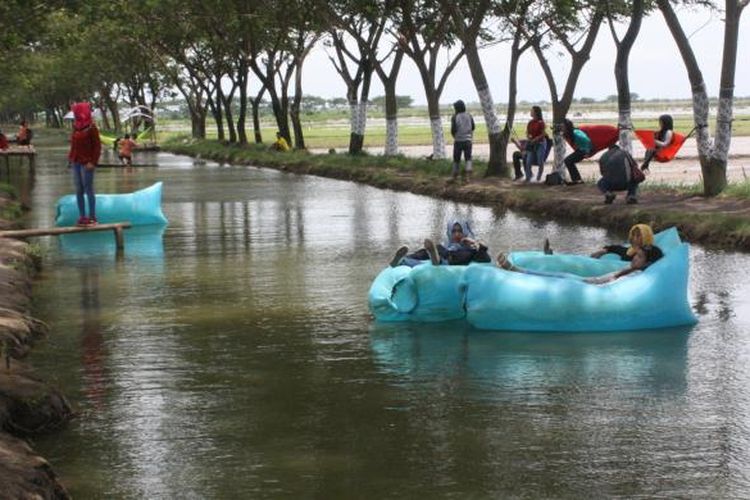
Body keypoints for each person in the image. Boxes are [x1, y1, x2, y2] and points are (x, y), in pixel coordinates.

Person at [496, 224, 663, 285]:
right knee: (559, 274)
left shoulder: (635, 275)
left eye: (639, 257)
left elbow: (616, 284)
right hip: (595, 279)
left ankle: (518, 270)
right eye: (633, 235)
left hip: (592, 283)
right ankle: (523, 269)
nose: (635, 257)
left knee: (557, 277)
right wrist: (604, 250)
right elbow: (615, 248)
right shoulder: (628, 254)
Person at [389, 221, 491, 267]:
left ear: (465, 231)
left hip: (450, 263)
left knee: (440, 253)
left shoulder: (471, 248)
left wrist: (475, 244)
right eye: (454, 231)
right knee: (432, 249)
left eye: (460, 231)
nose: (456, 234)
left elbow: (486, 259)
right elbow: (422, 255)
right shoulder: (446, 245)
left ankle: (436, 259)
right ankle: (400, 259)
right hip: (443, 255)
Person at [67, 102, 101, 226]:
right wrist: (70, 159)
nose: (76, 114)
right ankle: (82, 217)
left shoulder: (92, 128)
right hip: (76, 161)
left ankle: (92, 217)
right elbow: (73, 145)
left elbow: (97, 147)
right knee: (79, 189)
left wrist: (93, 162)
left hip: (87, 163)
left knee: (88, 188)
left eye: (77, 112)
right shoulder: (75, 126)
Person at [514, 106, 548, 183]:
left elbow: (543, 134)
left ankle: (538, 178)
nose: (530, 112)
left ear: (536, 112)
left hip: (540, 143)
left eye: (532, 111)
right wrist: (528, 137)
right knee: (528, 160)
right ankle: (528, 178)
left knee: (540, 161)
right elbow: (528, 133)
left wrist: (535, 139)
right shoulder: (530, 122)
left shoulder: (541, 122)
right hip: (532, 143)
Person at [450, 100, 475, 182]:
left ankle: (454, 177)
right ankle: (468, 177)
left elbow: (453, 130)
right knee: (468, 158)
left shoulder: (454, 117)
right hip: (468, 140)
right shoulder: (469, 116)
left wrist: (455, 136)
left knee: (456, 159)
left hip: (458, 140)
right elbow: (473, 127)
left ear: (457, 108)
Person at [562, 118, 591, 185]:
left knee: (568, 161)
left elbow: (587, 140)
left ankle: (577, 180)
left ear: (567, 127)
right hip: (580, 150)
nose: (562, 128)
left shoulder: (575, 133)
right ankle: (577, 180)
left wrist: (587, 152)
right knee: (568, 161)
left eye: (563, 127)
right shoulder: (571, 133)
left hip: (583, 151)